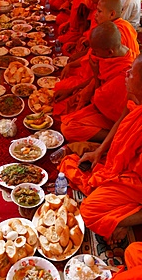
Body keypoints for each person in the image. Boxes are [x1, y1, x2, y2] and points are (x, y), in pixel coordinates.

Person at [58, 54, 142, 244]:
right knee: (70, 163)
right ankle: (118, 202)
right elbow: (123, 119)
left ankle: (135, 214)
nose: (126, 74)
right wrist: (100, 151)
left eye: (131, 75)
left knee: (88, 212)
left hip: (137, 180)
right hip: (125, 166)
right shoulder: (136, 96)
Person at [54, 22, 134, 144]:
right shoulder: (115, 53)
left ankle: (117, 138)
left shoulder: (124, 75)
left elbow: (101, 102)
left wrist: (96, 75)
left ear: (110, 52)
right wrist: (73, 91)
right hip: (100, 100)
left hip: (111, 115)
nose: (94, 55)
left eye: (95, 51)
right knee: (65, 106)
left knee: (69, 128)